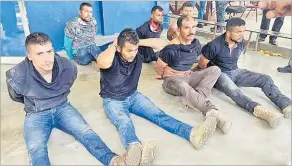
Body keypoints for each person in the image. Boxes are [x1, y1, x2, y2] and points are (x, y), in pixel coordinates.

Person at [6, 32, 139, 166]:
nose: (47, 59)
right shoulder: (17, 74)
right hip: (35, 113)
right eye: (40, 54)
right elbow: (16, 95)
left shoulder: (67, 66)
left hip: (62, 106)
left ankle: (114, 161)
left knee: (86, 132)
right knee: (36, 148)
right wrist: (35, 103)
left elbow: (69, 81)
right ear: (29, 56)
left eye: (49, 51)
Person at [96, 28, 218, 165]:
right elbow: (102, 63)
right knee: (124, 123)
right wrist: (114, 45)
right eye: (129, 51)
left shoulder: (137, 53)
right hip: (113, 100)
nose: (132, 54)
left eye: (135, 50)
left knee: (158, 114)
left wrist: (136, 44)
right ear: (119, 48)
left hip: (133, 95)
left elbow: (161, 44)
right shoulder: (111, 56)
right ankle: (134, 149)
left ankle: (192, 134)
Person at [199, 18, 292, 128]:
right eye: (238, 32)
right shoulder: (214, 45)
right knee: (234, 90)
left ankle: (286, 104)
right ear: (228, 33)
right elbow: (202, 64)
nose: (242, 35)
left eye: (243, 31)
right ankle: (261, 111)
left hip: (235, 71)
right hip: (220, 74)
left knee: (265, 79)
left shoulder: (240, 42)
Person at [156, 16, 232, 134]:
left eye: (193, 27)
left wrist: (192, 73)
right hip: (172, 80)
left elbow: (194, 62)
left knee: (215, 70)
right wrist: (171, 74)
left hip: (188, 75)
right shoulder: (170, 49)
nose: (191, 31)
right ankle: (211, 111)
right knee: (183, 86)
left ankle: (194, 98)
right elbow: (159, 68)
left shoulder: (196, 44)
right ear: (178, 30)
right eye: (186, 28)